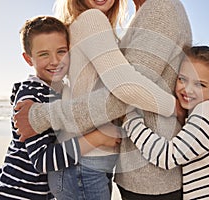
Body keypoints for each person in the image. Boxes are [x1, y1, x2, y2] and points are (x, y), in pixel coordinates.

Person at [14, 0, 192, 199]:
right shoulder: (92, 19)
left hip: (87, 165)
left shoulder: (88, 24)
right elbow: (125, 86)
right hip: (85, 166)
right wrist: (173, 106)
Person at [0, 15, 120, 200]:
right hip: (13, 194)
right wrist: (98, 138)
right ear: (28, 59)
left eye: (61, 51)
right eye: (44, 54)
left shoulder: (59, 90)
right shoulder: (31, 96)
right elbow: (43, 161)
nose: (55, 61)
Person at [122, 45, 209, 200]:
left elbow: (166, 157)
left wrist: (130, 120)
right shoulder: (201, 111)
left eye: (200, 84)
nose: (188, 89)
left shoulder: (208, 111)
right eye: (182, 79)